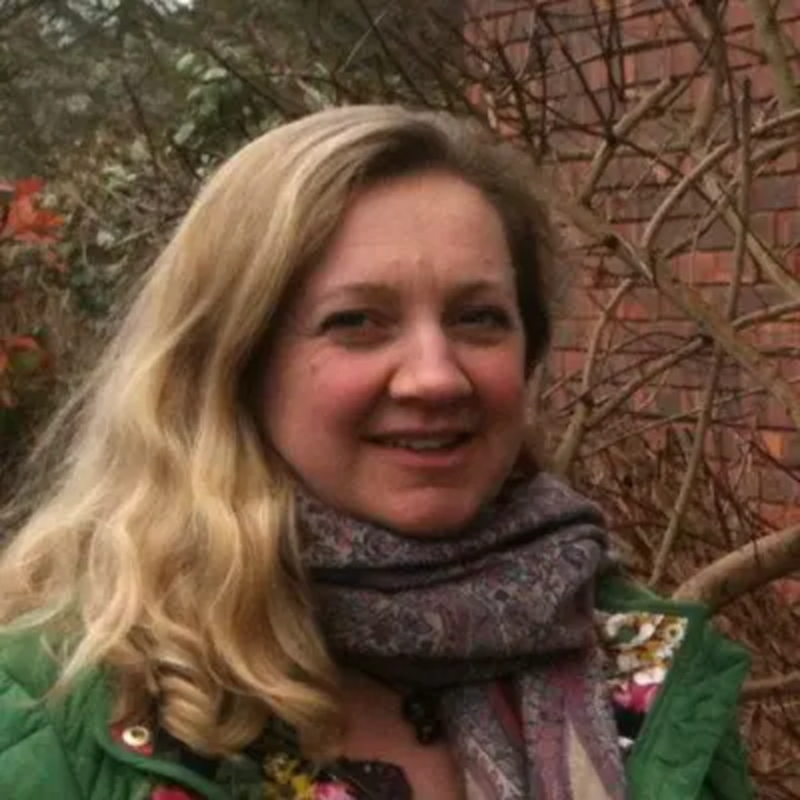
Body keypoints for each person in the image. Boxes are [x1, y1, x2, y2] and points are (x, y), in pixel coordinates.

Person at [0, 105, 752, 800]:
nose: (435, 375)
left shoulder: (648, 681)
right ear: (234, 364)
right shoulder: (54, 704)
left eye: (479, 317)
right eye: (357, 320)